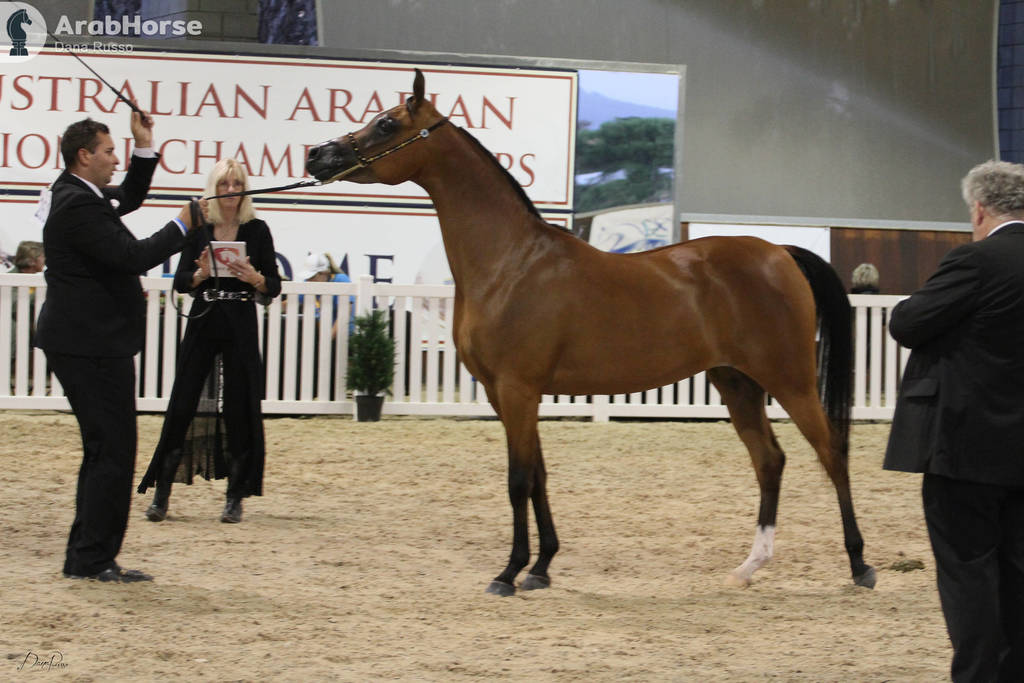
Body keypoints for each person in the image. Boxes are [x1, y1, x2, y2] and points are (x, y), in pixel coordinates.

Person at [34, 110, 204, 583]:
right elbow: (133, 256)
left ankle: (86, 555)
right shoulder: (75, 206)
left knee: (103, 449)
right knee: (113, 450)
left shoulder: (77, 195)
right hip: (89, 344)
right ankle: (93, 559)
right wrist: (182, 224)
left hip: (88, 342)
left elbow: (128, 196)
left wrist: (143, 146)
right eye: (110, 152)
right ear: (84, 156)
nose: (115, 160)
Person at [884, 159, 1024, 682]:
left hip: (966, 446)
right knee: (1018, 571)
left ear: (980, 208)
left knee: (968, 571)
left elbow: (908, 323)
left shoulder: (975, 262)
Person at [138, 158, 282, 525]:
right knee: (183, 402)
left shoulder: (258, 229)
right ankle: (162, 494)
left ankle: (235, 497)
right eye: (224, 185)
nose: (231, 191)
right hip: (205, 318)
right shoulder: (199, 228)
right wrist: (201, 274)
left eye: (237, 184)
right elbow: (180, 281)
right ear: (214, 188)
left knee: (239, 406)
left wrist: (254, 277)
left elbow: (274, 286)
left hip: (240, 322)